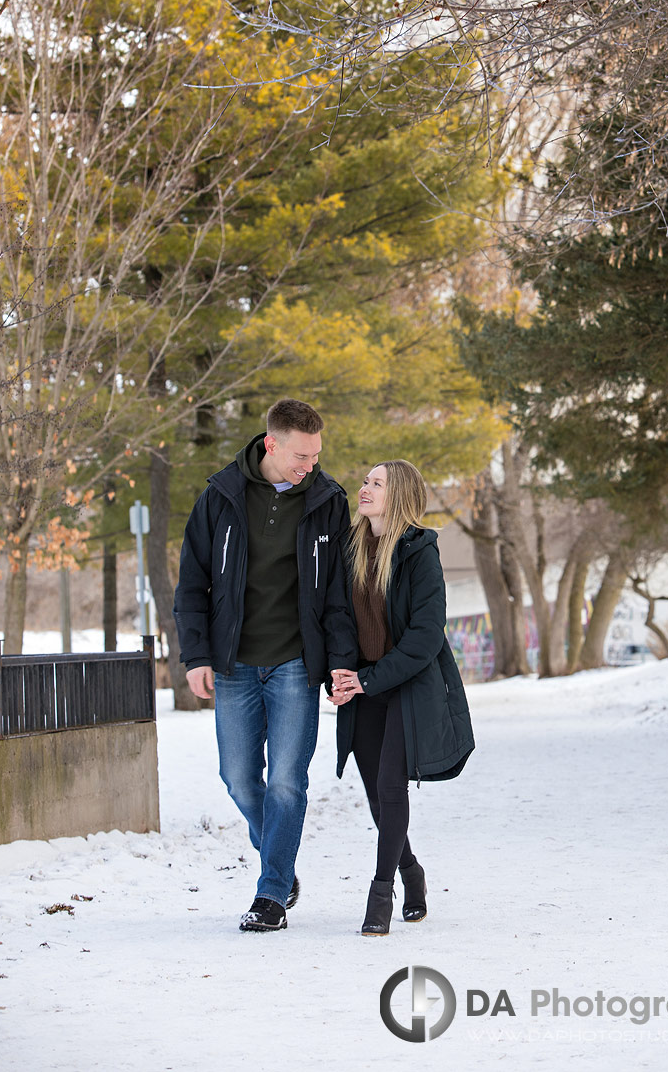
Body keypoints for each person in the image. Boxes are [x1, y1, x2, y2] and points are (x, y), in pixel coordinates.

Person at [173, 398, 356, 933]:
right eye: (302, 456)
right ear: (270, 444)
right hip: (233, 664)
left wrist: (340, 666)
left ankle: (271, 892)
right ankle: (281, 859)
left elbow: (338, 596)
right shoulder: (220, 498)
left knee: (286, 783)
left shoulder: (328, 502)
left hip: (296, 664)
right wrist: (196, 655)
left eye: (317, 455)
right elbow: (191, 585)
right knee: (238, 777)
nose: (311, 466)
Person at [329, 459, 474, 935]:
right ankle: (412, 871)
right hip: (364, 685)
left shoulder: (420, 552)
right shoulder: (349, 547)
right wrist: (346, 674)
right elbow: (338, 617)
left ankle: (380, 893)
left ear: (401, 495)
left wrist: (371, 680)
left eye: (376, 483)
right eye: (365, 480)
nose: (364, 488)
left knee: (391, 785)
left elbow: (426, 635)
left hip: (406, 687)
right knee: (376, 795)